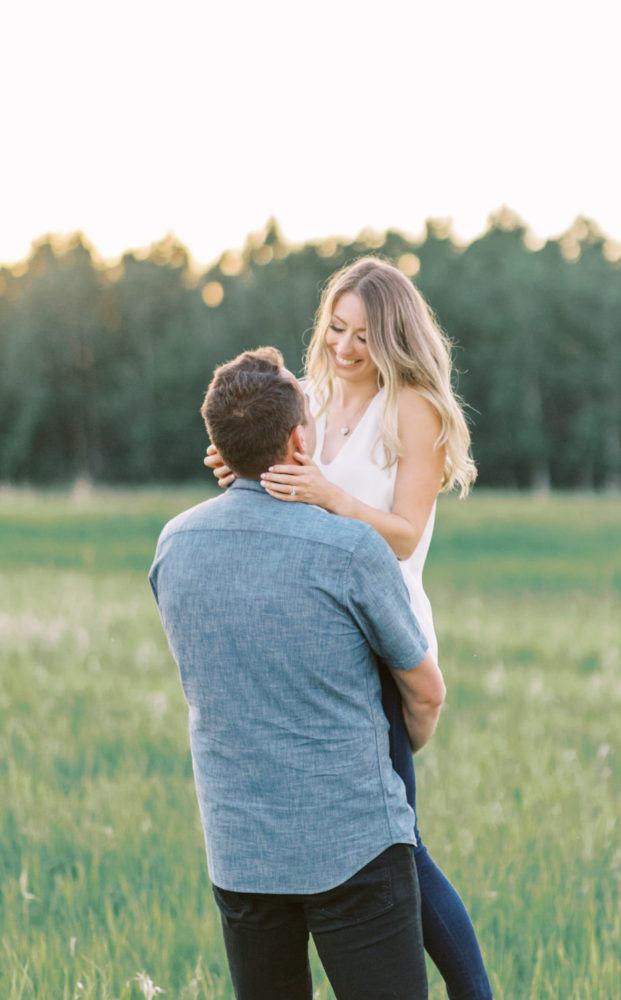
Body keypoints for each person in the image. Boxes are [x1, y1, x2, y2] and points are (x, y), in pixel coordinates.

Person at [205, 258, 494, 1000]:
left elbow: (401, 534)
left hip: (381, 634)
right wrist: (236, 466)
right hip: (312, 633)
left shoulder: (413, 410)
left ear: (393, 337)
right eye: (335, 327)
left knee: (400, 845)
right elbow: (273, 480)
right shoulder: (307, 396)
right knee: (386, 840)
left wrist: (330, 496)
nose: (343, 347)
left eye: (363, 336)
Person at [150, 347, 446, 1000]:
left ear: (220, 445)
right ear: (296, 438)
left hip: (239, 849)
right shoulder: (349, 549)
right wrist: (387, 755)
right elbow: (425, 694)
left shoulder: (175, 545)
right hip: (356, 843)